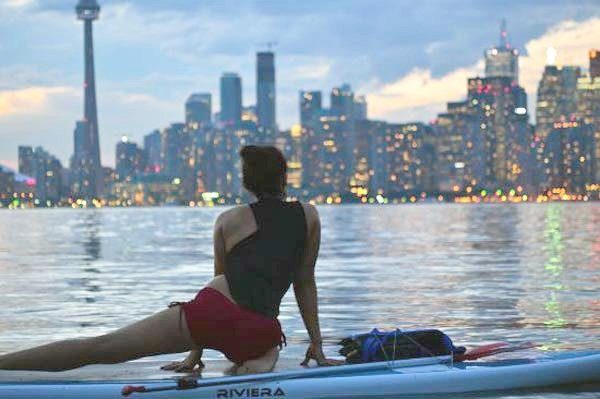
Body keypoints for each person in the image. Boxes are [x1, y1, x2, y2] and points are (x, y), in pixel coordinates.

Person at [0, 145, 342, 374]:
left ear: (247, 182)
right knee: (264, 354)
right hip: (259, 330)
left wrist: (196, 352)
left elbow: (220, 282)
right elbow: (304, 283)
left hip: (210, 315)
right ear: (284, 177)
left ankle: (4, 365)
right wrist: (317, 344)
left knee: (100, 347)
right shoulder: (309, 216)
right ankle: (252, 368)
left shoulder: (228, 219)